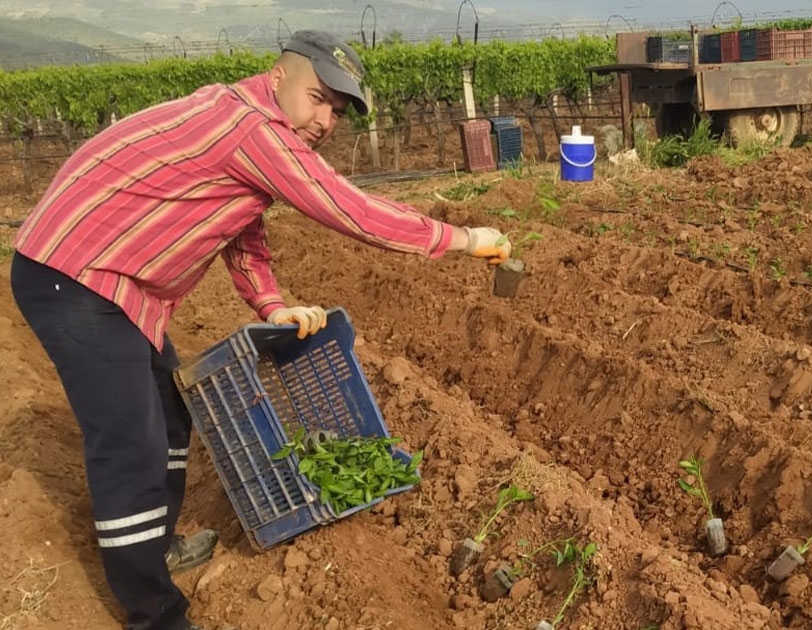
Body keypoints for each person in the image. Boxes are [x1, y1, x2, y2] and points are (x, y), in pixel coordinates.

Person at [7, 30, 511, 630]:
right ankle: (154, 614)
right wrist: (462, 238)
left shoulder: (241, 119)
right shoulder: (253, 128)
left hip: (119, 285)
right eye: (318, 99)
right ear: (278, 78)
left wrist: (270, 304)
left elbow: (240, 224)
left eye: (337, 111)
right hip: (77, 276)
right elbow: (349, 208)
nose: (325, 120)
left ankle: (156, 549)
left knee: (170, 414)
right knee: (130, 445)